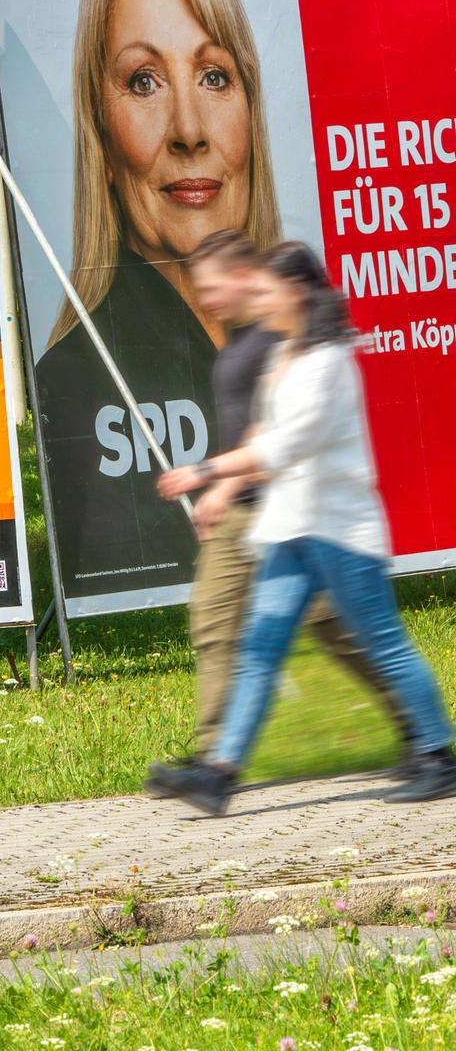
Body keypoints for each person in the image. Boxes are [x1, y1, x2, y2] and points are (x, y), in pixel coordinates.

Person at [155, 242, 456, 813]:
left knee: (384, 645)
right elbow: (265, 432)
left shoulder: (329, 362)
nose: (258, 299)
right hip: (289, 530)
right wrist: (221, 486)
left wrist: (204, 470)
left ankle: (437, 757)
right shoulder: (285, 354)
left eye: (267, 290)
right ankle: (218, 775)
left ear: (295, 292)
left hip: (339, 532)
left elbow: (288, 444)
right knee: (259, 649)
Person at [34, 0, 280, 603]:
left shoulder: (309, 336)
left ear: (251, 113)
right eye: (143, 81)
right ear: (102, 135)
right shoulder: (76, 381)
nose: (188, 130)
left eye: (214, 76)